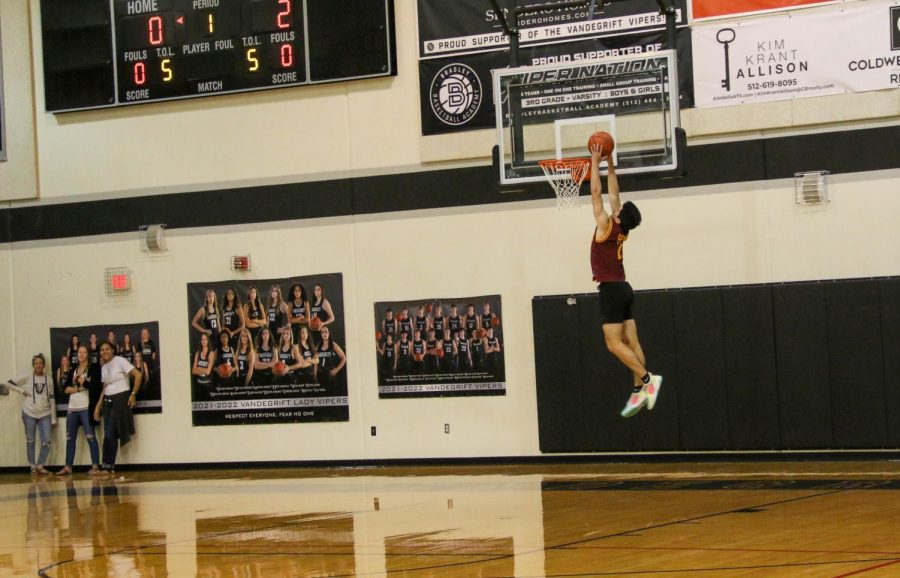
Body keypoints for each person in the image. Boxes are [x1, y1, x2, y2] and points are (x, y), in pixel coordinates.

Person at [588, 143, 662, 418]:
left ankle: (646, 380)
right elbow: (614, 192)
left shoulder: (607, 226)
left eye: (617, 208)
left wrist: (595, 162)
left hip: (611, 289)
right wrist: (610, 162)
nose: (614, 206)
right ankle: (637, 392)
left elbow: (598, 192)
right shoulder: (622, 229)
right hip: (625, 289)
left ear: (618, 215)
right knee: (632, 342)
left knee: (613, 344)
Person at [93, 341, 142, 476]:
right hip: (108, 401)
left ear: (113, 350)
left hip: (121, 399)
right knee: (108, 433)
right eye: (102, 350)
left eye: (107, 349)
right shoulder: (104, 367)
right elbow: (105, 388)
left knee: (110, 432)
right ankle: (108, 466)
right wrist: (98, 405)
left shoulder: (120, 361)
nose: (104, 352)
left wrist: (133, 395)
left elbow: (138, 375)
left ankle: (107, 467)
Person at [7, 353, 56, 475]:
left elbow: (52, 398)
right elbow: (8, 383)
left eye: (40, 363)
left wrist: (53, 417)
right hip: (29, 412)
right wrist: (22, 391)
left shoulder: (49, 379)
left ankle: (40, 465)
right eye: (36, 363)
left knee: (47, 440)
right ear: (33, 365)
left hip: (45, 413)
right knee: (30, 440)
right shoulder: (27, 377)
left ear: (44, 365)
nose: (38, 365)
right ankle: (32, 466)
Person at [56, 346, 101, 476]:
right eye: (79, 352)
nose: (81, 354)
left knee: (90, 437)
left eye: (84, 352)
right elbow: (65, 388)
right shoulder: (73, 369)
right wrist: (80, 388)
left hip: (86, 407)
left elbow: (94, 386)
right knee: (70, 438)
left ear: (88, 355)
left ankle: (95, 466)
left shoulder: (93, 368)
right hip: (72, 408)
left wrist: (84, 383)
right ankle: (68, 466)